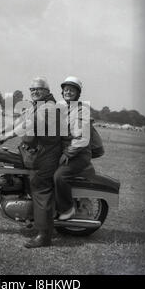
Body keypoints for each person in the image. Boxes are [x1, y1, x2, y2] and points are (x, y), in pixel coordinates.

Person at [0, 77, 61, 248]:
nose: (34, 92)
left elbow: (28, 126)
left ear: (47, 91)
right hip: (33, 153)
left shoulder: (49, 108)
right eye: (31, 89)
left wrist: (5, 137)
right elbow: (19, 121)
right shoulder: (36, 106)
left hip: (45, 157)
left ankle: (44, 236)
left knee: (40, 189)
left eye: (38, 89)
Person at [54, 76, 95, 220]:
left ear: (78, 93)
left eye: (72, 90)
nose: (68, 92)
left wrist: (67, 154)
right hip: (64, 152)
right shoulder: (62, 108)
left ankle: (67, 209)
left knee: (60, 176)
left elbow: (82, 138)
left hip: (79, 155)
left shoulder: (82, 110)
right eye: (66, 89)